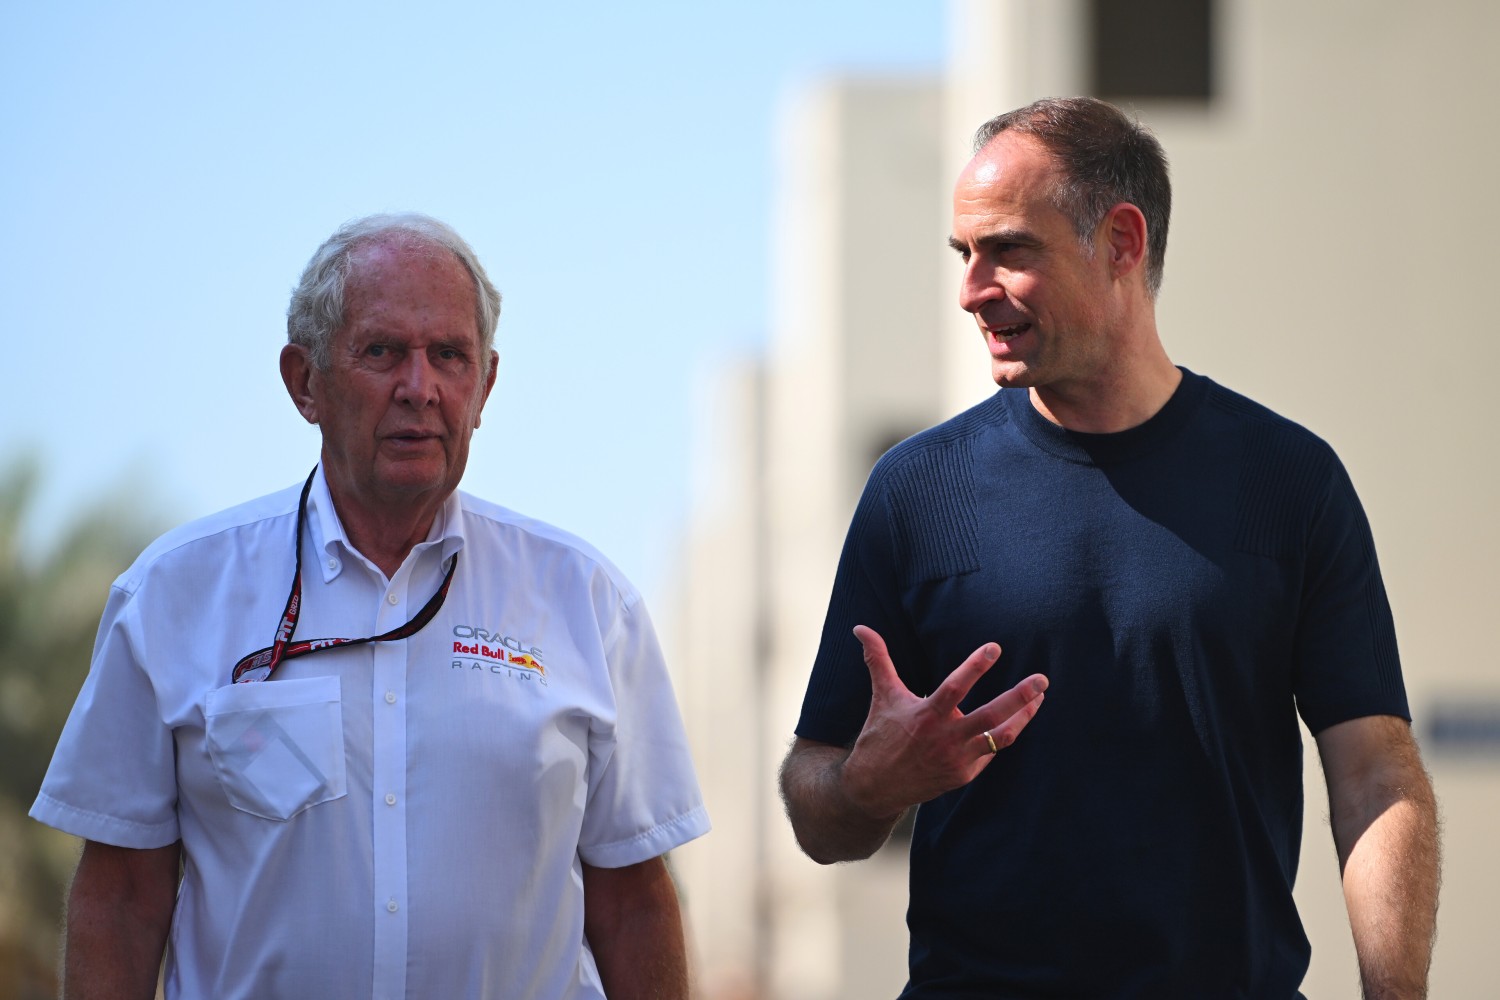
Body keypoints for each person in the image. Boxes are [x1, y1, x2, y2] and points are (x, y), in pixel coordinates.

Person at [779, 98, 1439, 998]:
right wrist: (869, 787)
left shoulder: (1289, 482)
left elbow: (1374, 777)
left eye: (1009, 250)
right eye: (964, 254)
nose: (972, 288)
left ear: (1122, 242)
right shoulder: (918, 492)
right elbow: (817, 803)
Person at [32, 213, 710, 1000]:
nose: (419, 388)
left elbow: (634, 904)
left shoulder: (587, 601)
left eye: (449, 355)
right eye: (382, 351)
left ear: (485, 386)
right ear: (305, 382)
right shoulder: (175, 594)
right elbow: (120, 896)